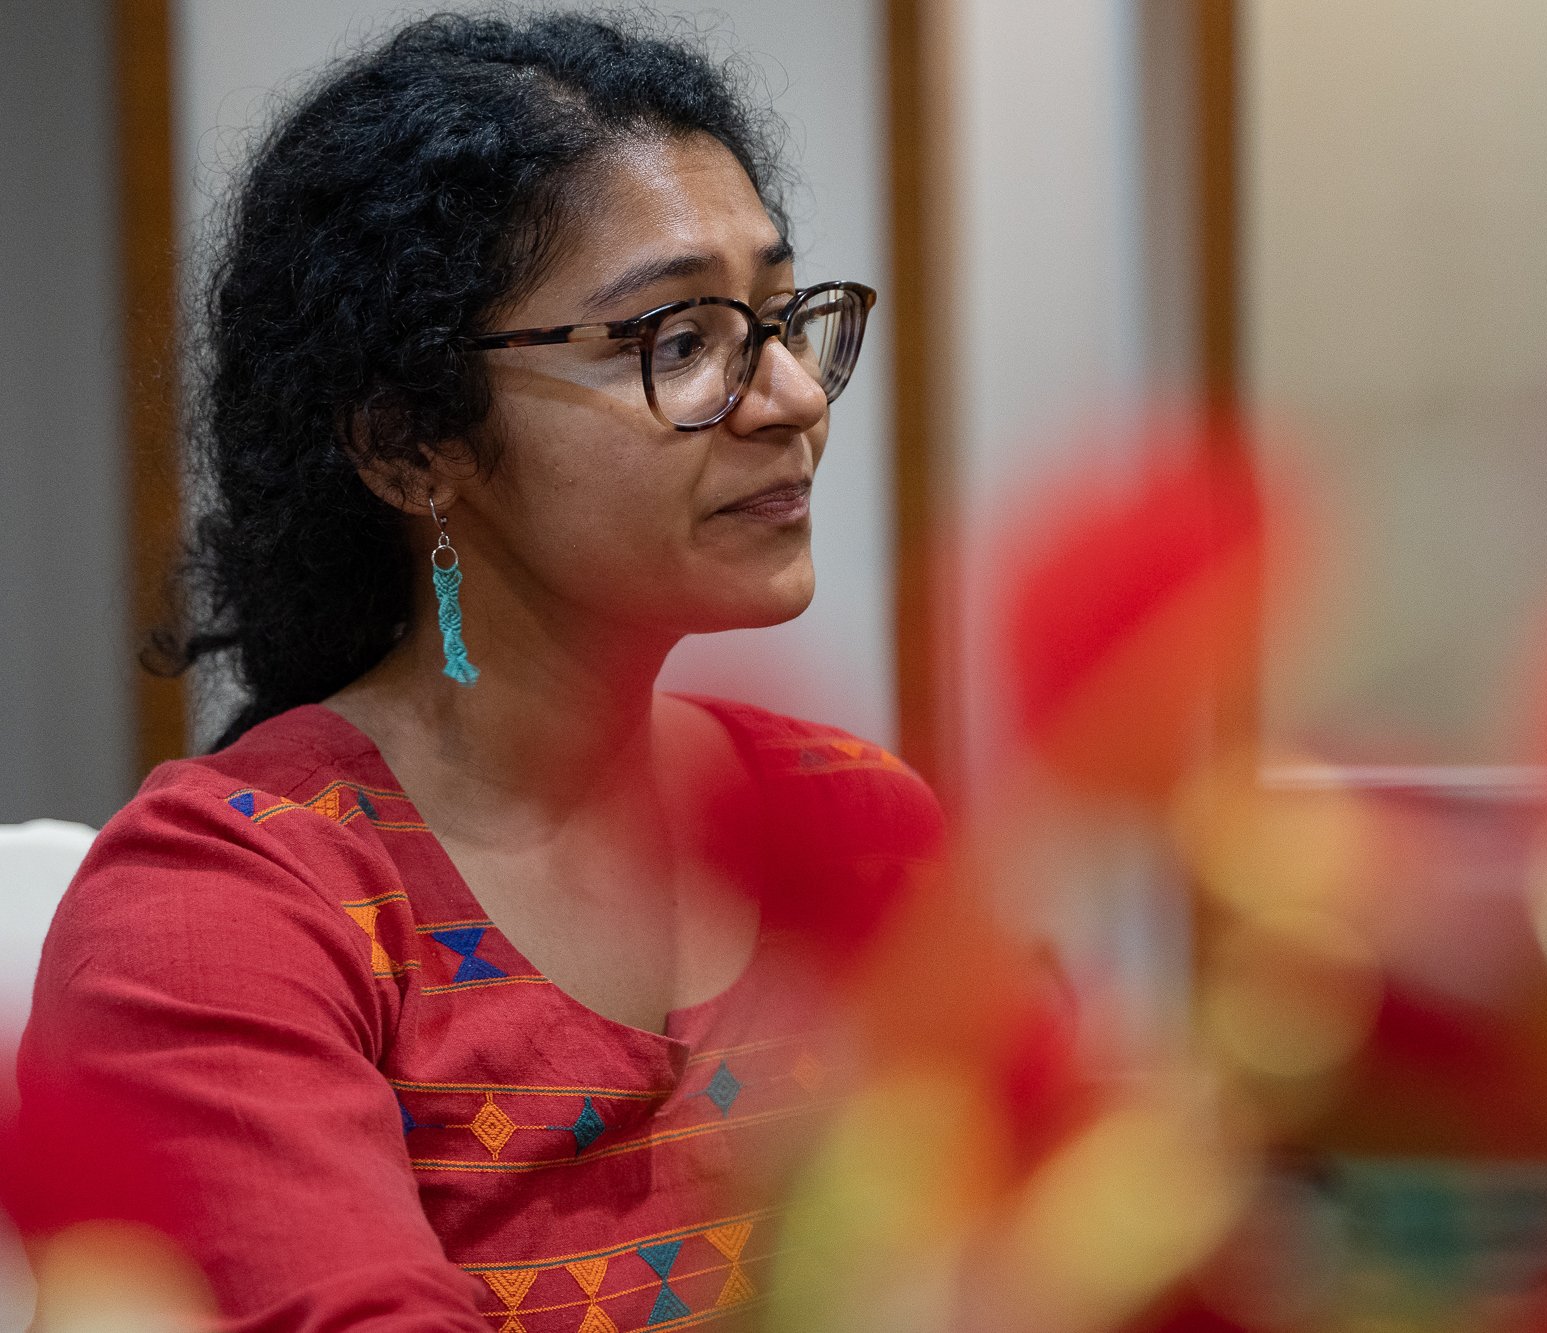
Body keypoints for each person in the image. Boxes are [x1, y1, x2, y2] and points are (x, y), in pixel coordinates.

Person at [17, 12, 941, 1330]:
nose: (790, 393)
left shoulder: (852, 818)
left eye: (782, 316)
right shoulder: (226, 906)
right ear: (409, 448)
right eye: (681, 341)